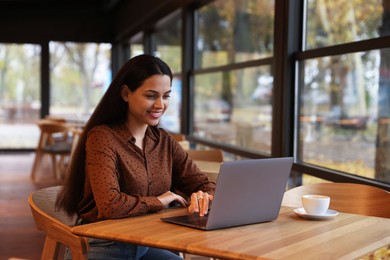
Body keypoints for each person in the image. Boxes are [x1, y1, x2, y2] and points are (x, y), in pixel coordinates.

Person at [56, 54, 216, 259]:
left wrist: (203, 196)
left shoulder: (164, 141)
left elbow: (203, 183)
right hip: (102, 245)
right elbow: (110, 205)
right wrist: (160, 200)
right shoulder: (102, 137)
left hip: (146, 244)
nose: (160, 105)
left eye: (166, 96)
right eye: (151, 96)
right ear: (125, 94)